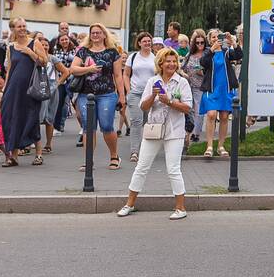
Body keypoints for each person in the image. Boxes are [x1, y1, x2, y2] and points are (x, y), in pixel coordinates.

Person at [117, 48, 193, 220]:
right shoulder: (153, 81)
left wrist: (170, 101)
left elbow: (188, 107)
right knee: (142, 167)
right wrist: (153, 96)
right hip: (153, 129)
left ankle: (181, 208)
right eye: (168, 61)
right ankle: (129, 204)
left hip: (175, 130)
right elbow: (143, 107)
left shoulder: (182, 82)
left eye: (174, 61)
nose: (172, 64)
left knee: (173, 169)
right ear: (160, 63)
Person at [70, 23, 125, 170]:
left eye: (98, 33)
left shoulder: (113, 52)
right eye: (93, 33)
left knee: (107, 126)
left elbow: (118, 76)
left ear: (104, 35)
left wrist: (122, 96)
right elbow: (73, 69)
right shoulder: (83, 51)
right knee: (89, 127)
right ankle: (88, 160)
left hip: (107, 93)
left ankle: (114, 156)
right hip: (85, 94)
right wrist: (89, 69)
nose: (95, 35)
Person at [0, 17, 48, 167]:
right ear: (13, 28)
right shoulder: (11, 47)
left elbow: (44, 61)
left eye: (24, 26)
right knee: (11, 118)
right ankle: (13, 156)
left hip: (30, 89)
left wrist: (29, 52)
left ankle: (38, 154)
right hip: (13, 88)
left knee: (31, 118)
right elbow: (9, 70)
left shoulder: (35, 43)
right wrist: (4, 89)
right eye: (19, 26)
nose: (22, 28)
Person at [199, 29, 242, 157]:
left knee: (224, 116)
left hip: (226, 89)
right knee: (211, 114)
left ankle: (221, 146)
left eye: (219, 37)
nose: (216, 39)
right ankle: (209, 146)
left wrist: (233, 41)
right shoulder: (208, 52)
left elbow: (239, 55)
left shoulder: (227, 51)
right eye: (213, 37)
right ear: (209, 39)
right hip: (212, 88)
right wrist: (212, 49)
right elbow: (203, 63)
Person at [123, 32, 157, 163]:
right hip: (135, 93)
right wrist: (129, 91)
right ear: (139, 43)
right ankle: (135, 152)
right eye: (145, 41)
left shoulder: (155, 58)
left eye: (149, 41)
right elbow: (126, 74)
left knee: (147, 122)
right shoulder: (133, 57)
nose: (147, 43)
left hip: (150, 95)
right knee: (136, 121)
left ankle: (147, 149)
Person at [181, 29, 207, 142]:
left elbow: (212, 70)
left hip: (201, 86)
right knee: (188, 109)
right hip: (188, 85)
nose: (200, 45)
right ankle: (187, 131)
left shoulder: (207, 53)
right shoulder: (190, 54)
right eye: (197, 42)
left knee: (198, 110)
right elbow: (181, 68)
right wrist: (185, 75)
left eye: (202, 42)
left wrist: (202, 71)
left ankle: (195, 134)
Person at [51, 34, 77, 134]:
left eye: (66, 39)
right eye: (62, 40)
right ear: (59, 41)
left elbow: (77, 63)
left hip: (72, 80)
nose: (64, 41)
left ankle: (84, 127)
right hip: (61, 80)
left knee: (75, 103)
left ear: (69, 40)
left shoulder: (74, 50)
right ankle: (57, 126)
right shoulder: (56, 51)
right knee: (59, 103)